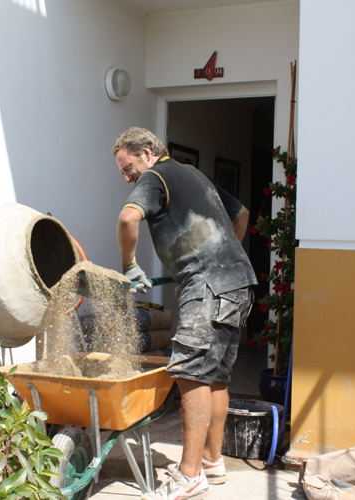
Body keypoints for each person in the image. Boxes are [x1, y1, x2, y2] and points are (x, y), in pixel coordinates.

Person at [112, 127, 257, 500]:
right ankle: (211, 461)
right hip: (237, 282)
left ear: (147, 153)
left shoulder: (156, 175)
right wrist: (221, 255)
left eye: (127, 168)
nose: (127, 178)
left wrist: (128, 265)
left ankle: (189, 476)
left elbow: (128, 219)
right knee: (216, 376)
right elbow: (241, 214)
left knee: (191, 373)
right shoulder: (193, 174)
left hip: (208, 286)